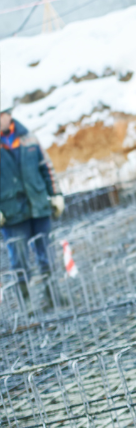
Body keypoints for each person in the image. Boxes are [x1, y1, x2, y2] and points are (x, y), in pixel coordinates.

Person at [0, 108, 65, 310]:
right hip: (11, 214)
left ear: (9, 114)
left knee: (46, 253)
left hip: (38, 206)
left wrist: (55, 194)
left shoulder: (29, 138)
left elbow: (46, 167)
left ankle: (53, 295)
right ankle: (25, 304)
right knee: (18, 260)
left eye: (2, 114)